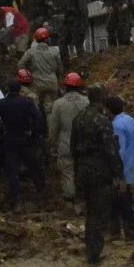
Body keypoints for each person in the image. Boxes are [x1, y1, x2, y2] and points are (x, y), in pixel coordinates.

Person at [68, 83, 125, 264]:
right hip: (99, 171)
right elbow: (111, 151)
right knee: (99, 213)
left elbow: (72, 148)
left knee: (90, 212)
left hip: (82, 169)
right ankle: (94, 255)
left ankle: (90, 249)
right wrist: (119, 176)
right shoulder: (102, 121)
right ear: (101, 99)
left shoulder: (79, 118)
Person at [0, 79, 46, 212]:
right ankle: (42, 193)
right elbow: (39, 118)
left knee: (12, 171)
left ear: (8, 89)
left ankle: (17, 200)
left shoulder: (1, 104)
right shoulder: (27, 102)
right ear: (20, 89)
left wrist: (0, 131)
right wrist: (34, 133)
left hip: (9, 139)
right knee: (34, 166)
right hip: (25, 138)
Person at [49, 72, 89, 204]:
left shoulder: (58, 104)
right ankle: (84, 198)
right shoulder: (87, 101)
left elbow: (53, 128)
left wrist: (53, 144)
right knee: (83, 170)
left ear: (65, 86)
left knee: (67, 172)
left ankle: (70, 200)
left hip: (65, 143)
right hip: (84, 143)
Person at [107, 95, 134, 242]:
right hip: (132, 165)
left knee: (121, 201)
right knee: (124, 200)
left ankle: (126, 232)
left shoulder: (116, 125)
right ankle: (124, 231)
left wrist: (118, 173)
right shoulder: (130, 120)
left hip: (122, 168)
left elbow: (119, 150)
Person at [19, 27, 63, 114]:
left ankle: (37, 125)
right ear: (47, 39)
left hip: (36, 83)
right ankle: (50, 126)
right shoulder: (54, 51)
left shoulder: (30, 52)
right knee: (49, 108)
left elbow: (20, 65)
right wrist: (57, 78)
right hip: (52, 83)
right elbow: (60, 68)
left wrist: (28, 74)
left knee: (34, 107)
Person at [58, 0, 89, 66]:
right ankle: (66, 64)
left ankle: (83, 65)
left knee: (78, 43)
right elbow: (63, 8)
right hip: (68, 22)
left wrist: (84, 24)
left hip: (77, 21)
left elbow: (83, 9)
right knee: (62, 42)